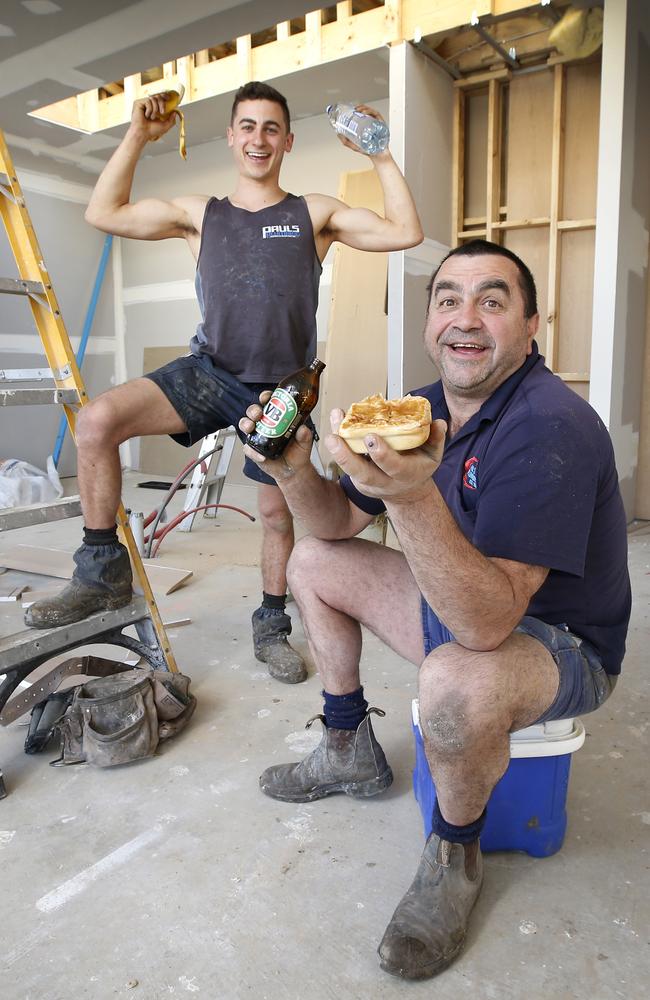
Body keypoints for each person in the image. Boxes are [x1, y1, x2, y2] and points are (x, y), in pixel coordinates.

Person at [238, 239, 631, 979]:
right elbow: (332, 527)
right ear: (429, 321)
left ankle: (456, 852)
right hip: (471, 598)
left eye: (493, 300)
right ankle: (348, 746)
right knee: (312, 561)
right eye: (448, 299)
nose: (466, 318)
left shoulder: (551, 426)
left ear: (532, 324)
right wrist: (292, 468)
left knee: (455, 680)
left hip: (561, 642)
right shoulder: (414, 410)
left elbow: (487, 628)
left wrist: (411, 494)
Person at [25, 81, 423, 685]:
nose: (258, 138)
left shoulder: (313, 214)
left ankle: (271, 624)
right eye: (247, 127)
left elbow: (405, 232)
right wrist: (137, 133)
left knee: (275, 515)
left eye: (271, 128)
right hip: (209, 374)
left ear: (287, 141)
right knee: (99, 420)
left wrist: (379, 152)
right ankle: (101, 571)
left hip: (282, 393)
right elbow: (102, 212)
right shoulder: (198, 214)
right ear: (231, 137)